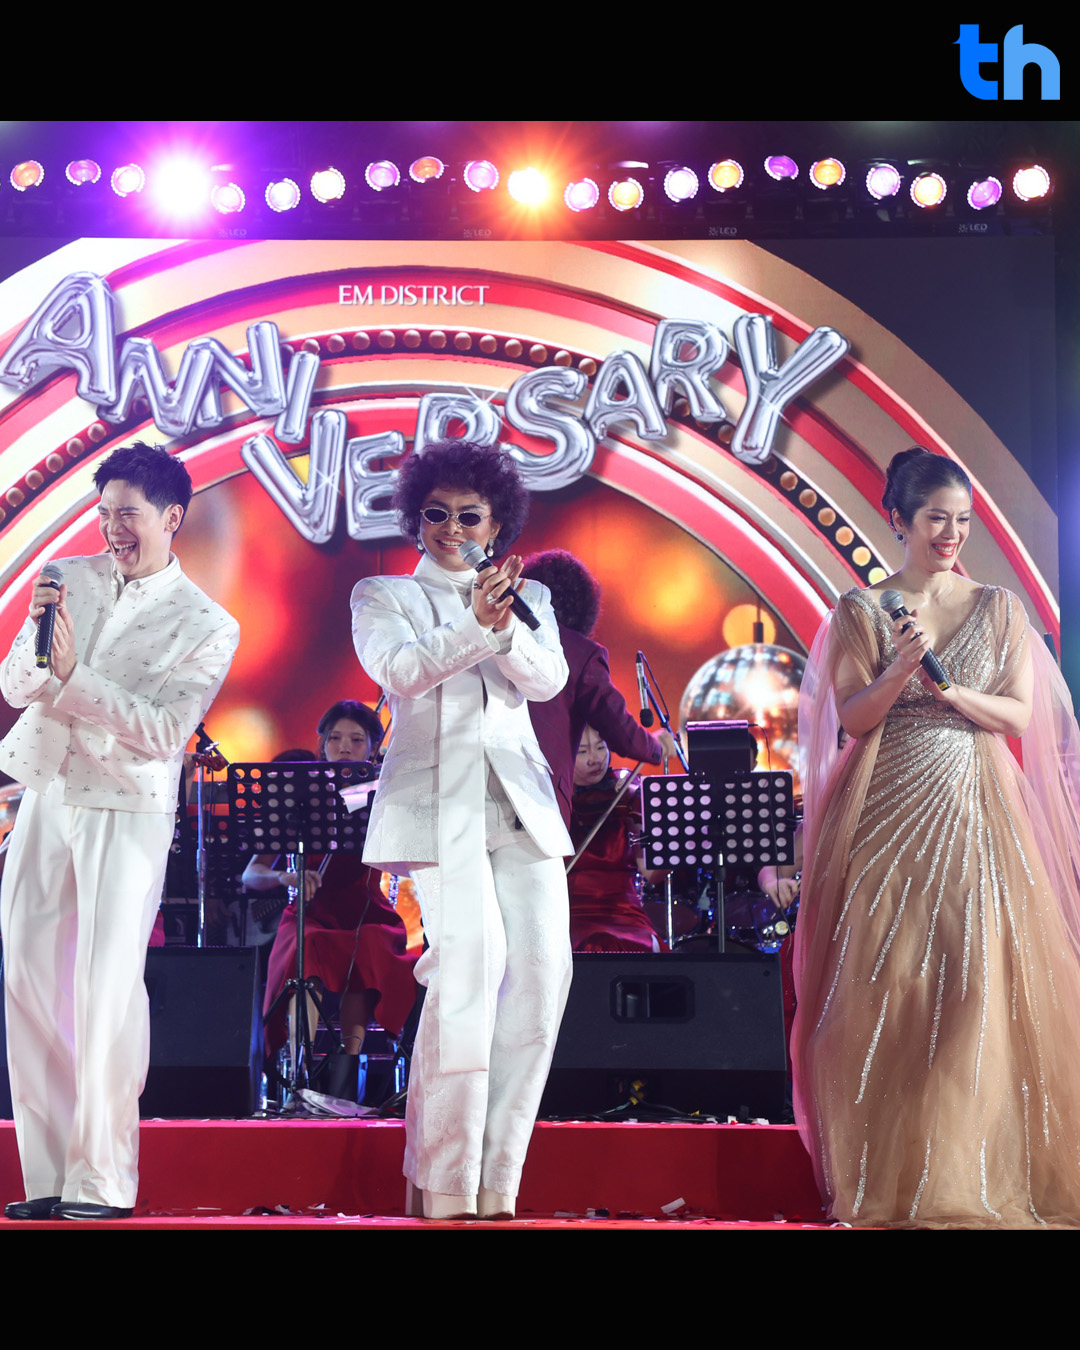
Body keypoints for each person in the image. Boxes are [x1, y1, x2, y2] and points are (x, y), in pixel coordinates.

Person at [791, 446, 1080, 1229]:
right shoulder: (862, 611)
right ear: (899, 519)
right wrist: (900, 671)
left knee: (979, 978)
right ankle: (887, 1177)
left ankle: (972, 1172)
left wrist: (950, 691)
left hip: (977, 803)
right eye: (935, 520)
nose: (951, 535)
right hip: (885, 807)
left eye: (962, 521)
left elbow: (1018, 714)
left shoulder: (999, 608)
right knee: (888, 983)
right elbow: (853, 718)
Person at [0, 441, 239, 1221]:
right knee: (28, 977)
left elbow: (164, 731)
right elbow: (15, 684)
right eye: (104, 514)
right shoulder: (67, 577)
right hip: (46, 787)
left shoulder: (208, 623)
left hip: (127, 804)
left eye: (128, 514)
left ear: (171, 518)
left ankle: (101, 1181)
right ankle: (47, 1177)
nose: (112, 529)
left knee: (105, 989)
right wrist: (41, 645)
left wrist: (75, 678)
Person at [351, 439, 572, 1221]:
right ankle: (446, 1183)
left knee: (541, 981)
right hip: (435, 804)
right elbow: (400, 672)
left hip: (519, 807)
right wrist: (476, 624)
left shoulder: (530, 596)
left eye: (469, 516)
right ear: (415, 521)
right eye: (436, 514)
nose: (452, 529)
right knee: (470, 975)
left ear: (496, 524)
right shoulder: (384, 594)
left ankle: (497, 1180)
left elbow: (548, 679)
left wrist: (502, 625)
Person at [246, 701, 416, 1101]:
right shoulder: (300, 798)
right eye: (335, 738)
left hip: (366, 910)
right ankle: (299, 1071)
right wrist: (285, 876)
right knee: (306, 947)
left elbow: (409, 859)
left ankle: (347, 1073)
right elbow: (251, 873)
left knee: (371, 944)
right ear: (321, 745)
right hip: (311, 914)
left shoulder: (380, 794)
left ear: (372, 749)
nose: (344, 747)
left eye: (356, 740)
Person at [521, 549, 674, 831]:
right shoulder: (580, 654)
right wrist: (657, 747)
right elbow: (617, 727)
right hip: (539, 799)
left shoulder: (502, 637)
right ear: (583, 606)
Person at [568, 726, 668, 952]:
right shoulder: (556, 800)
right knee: (589, 945)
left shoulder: (627, 796)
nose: (595, 759)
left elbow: (652, 873)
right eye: (582, 751)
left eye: (601, 748)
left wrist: (673, 840)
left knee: (640, 946)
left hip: (624, 912)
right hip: (570, 913)